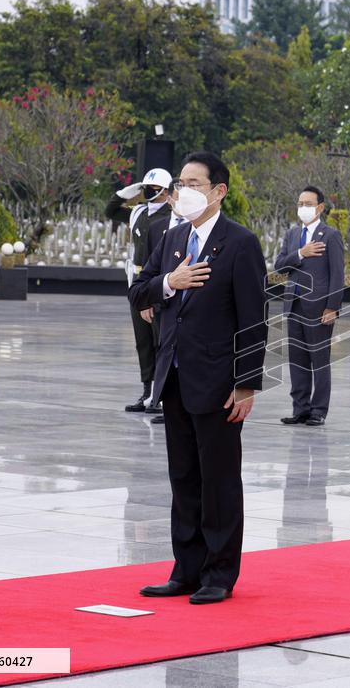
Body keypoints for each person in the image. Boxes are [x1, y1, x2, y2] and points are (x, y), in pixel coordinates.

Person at [129, 152, 268, 605]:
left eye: (193, 183)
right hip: (174, 377)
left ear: (218, 191)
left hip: (219, 381)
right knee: (184, 477)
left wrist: (246, 383)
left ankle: (219, 573)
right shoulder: (170, 238)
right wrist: (171, 281)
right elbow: (139, 290)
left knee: (219, 479)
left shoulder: (240, 243)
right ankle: (185, 569)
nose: (181, 192)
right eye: (179, 184)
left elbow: (254, 319)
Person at [273, 186, 345, 427]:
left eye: (308, 203)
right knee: (297, 360)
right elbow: (280, 265)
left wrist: (332, 307)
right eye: (300, 203)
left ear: (320, 207)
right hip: (293, 304)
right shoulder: (292, 235)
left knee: (319, 360)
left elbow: (337, 274)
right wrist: (301, 253)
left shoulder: (330, 235)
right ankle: (300, 409)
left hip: (319, 308)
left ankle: (318, 410)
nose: (303, 208)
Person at [106, 168, 173, 415]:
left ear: (166, 191)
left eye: (153, 189)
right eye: (146, 188)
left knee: (161, 339)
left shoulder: (173, 216)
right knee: (143, 340)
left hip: (159, 281)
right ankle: (148, 392)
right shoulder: (138, 212)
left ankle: (163, 394)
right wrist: (125, 193)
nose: (148, 192)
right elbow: (110, 211)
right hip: (137, 279)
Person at [140, 200, 192, 425]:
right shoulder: (159, 229)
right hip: (161, 299)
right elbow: (147, 268)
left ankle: (175, 402)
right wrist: (148, 298)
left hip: (190, 310)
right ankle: (156, 398)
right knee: (156, 347)